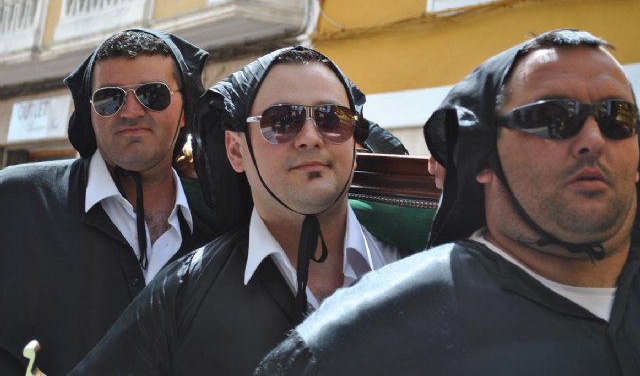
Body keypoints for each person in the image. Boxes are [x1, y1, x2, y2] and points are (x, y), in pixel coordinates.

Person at [256, 29, 640, 376]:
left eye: (617, 118)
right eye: (552, 117)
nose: (594, 139)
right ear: (482, 158)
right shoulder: (355, 342)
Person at [68, 46, 402, 375]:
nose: (311, 137)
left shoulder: (418, 261)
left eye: (332, 118)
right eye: (282, 120)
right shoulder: (183, 293)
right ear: (235, 149)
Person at [0, 29, 218, 375]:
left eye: (152, 95)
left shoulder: (220, 228)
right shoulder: (18, 200)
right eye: (109, 98)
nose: (131, 111)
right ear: (90, 114)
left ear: (185, 112)